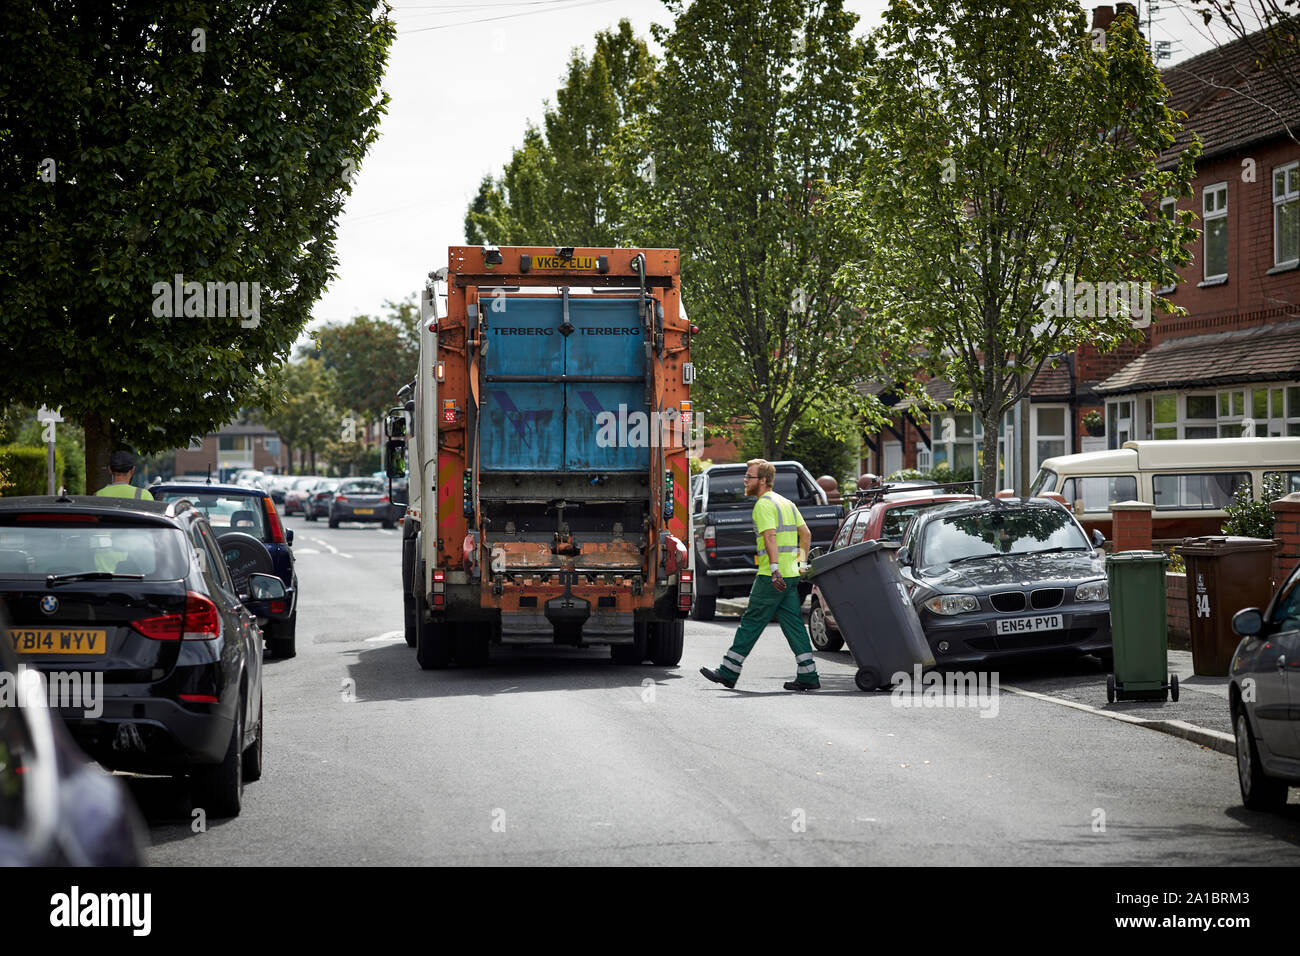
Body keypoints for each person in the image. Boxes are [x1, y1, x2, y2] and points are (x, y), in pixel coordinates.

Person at [701, 459, 820, 691]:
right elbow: (805, 533)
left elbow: (770, 537)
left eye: (749, 477)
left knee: (752, 622)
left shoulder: (764, 505)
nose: (745, 481)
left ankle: (728, 671)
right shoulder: (786, 502)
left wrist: (774, 568)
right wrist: (801, 563)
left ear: (763, 480)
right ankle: (808, 675)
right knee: (793, 623)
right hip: (791, 574)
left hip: (771, 575)